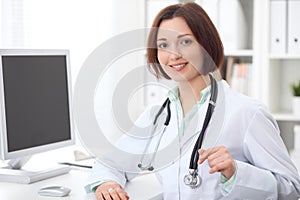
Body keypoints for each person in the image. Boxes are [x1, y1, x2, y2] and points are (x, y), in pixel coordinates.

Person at [85, 2, 300, 200]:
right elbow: (111, 163)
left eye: (185, 41)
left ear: (205, 44)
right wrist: (107, 183)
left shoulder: (247, 112)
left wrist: (236, 172)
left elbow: (292, 188)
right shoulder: (156, 116)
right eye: (163, 45)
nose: (174, 54)